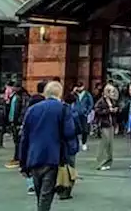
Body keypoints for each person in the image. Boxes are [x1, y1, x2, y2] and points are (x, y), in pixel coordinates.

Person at [17, 81, 77, 211]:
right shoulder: (63, 109)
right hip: (53, 156)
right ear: (59, 94)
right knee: (46, 193)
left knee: (41, 193)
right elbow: (69, 133)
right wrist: (71, 152)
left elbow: (24, 138)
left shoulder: (32, 110)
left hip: (34, 155)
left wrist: (22, 161)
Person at [93, 83, 118, 171]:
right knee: (104, 144)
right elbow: (97, 110)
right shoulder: (101, 101)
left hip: (111, 124)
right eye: (111, 91)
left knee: (110, 144)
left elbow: (115, 110)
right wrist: (108, 111)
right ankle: (100, 163)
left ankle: (108, 162)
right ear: (107, 92)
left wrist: (115, 110)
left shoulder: (112, 101)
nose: (113, 93)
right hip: (104, 124)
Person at [73, 82, 93, 146]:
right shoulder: (75, 94)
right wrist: (73, 92)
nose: (79, 88)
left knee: (85, 130)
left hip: (84, 114)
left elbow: (91, 104)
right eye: (78, 87)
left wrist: (87, 112)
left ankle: (84, 142)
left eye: (80, 86)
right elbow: (69, 99)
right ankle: (76, 142)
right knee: (75, 129)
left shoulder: (87, 94)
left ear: (83, 87)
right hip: (75, 114)